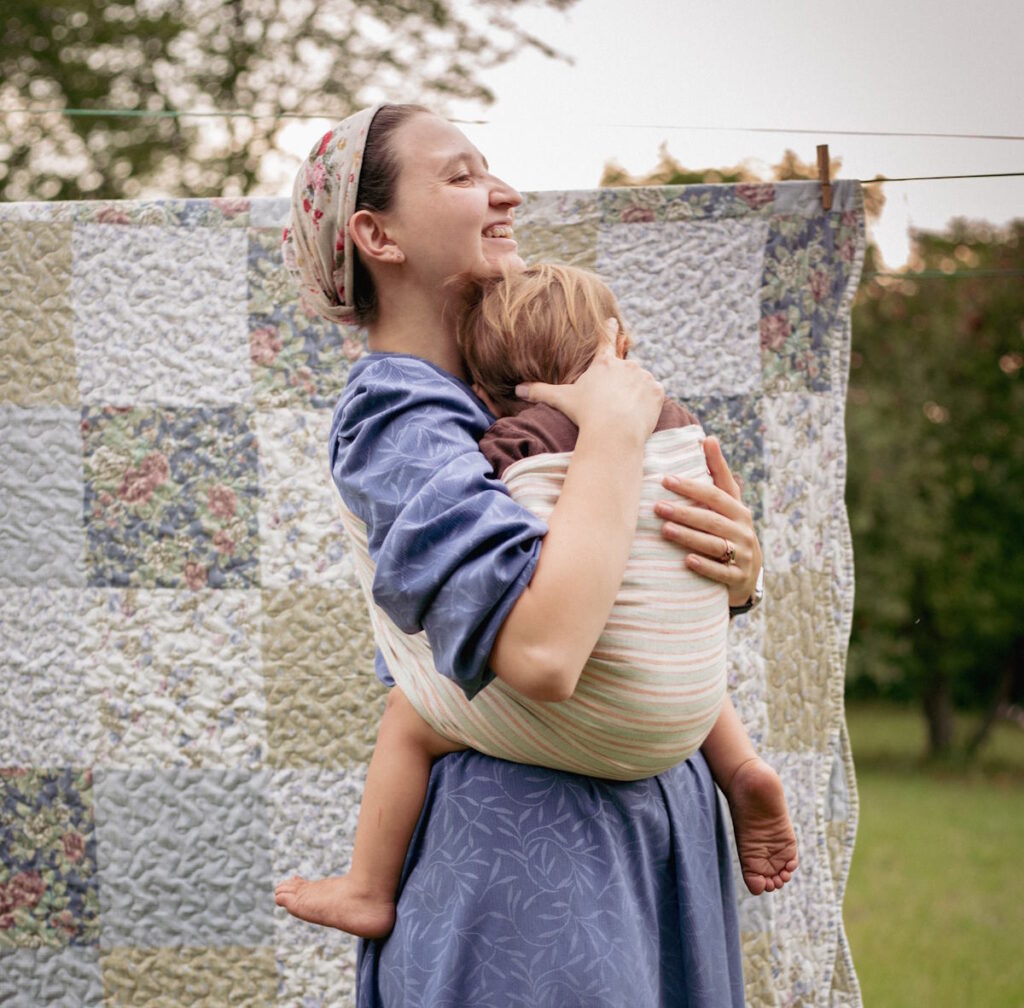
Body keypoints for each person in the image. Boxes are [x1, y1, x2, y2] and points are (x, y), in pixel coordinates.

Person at [274, 103, 773, 1007]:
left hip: (642, 823)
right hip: (533, 855)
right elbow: (542, 653)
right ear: (376, 233)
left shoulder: (510, 395)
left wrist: (730, 574)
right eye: (461, 177)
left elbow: (616, 582)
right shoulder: (401, 420)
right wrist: (617, 429)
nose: (505, 193)